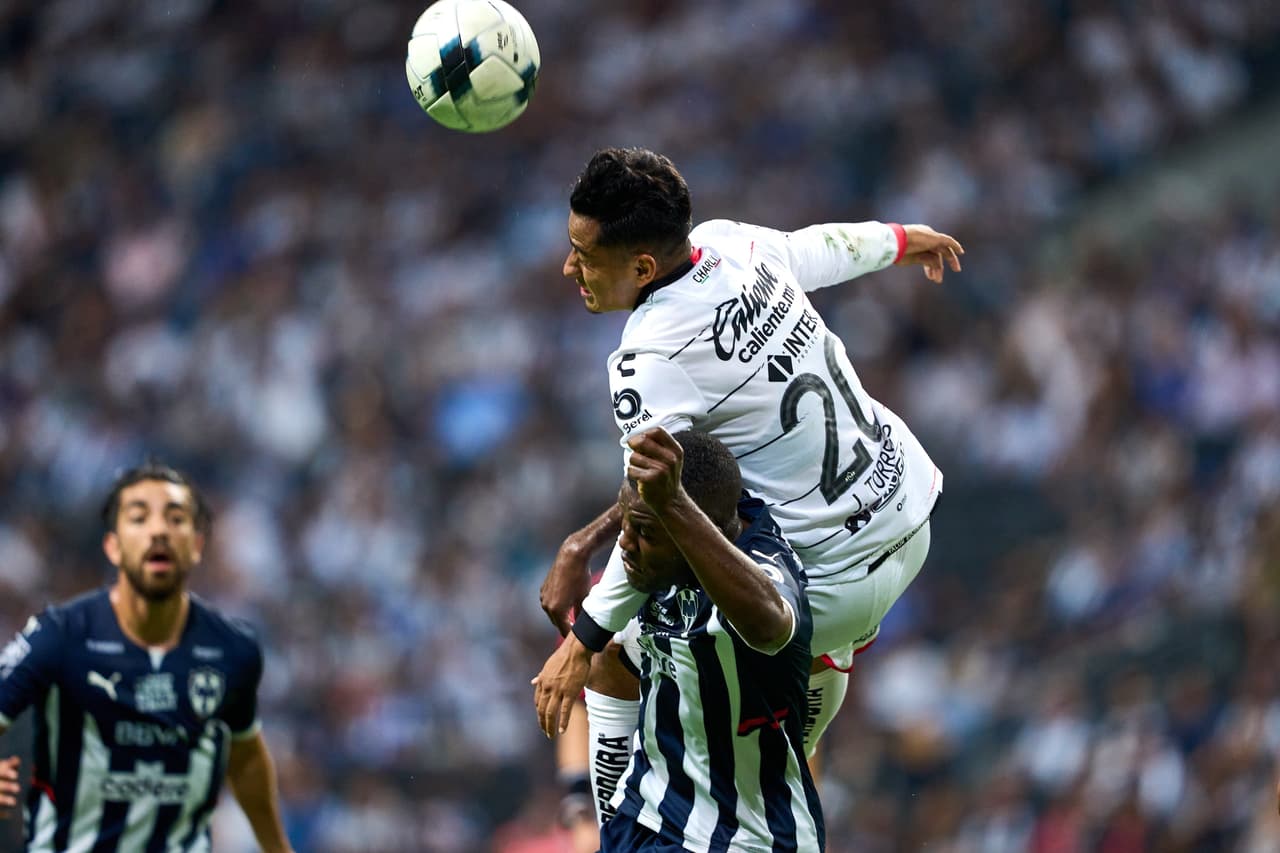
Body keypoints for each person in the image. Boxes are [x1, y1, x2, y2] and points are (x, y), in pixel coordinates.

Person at [535, 147, 962, 765]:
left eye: (585, 254)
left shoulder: (646, 360)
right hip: (909, 512)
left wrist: (583, 639)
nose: (569, 266)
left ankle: (612, 816)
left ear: (644, 265)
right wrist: (898, 240)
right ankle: (802, 718)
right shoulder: (732, 244)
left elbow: (659, 510)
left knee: (614, 658)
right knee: (783, 763)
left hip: (824, 586)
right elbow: (821, 247)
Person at [535, 427, 822, 851]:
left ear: (692, 529)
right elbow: (602, 669)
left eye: (647, 533)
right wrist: (600, 814)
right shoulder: (642, 573)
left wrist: (673, 508)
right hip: (644, 820)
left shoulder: (764, 571)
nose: (626, 546)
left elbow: (772, 625)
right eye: (626, 526)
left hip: (745, 839)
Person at [0, 462, 294, 853]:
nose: (159, 531)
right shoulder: (60, 636)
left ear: (197, 545)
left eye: (176, 519)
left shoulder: (232, 650)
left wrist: (278, 848)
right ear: (114, 546)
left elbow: (245, 756)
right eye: (139, 518)